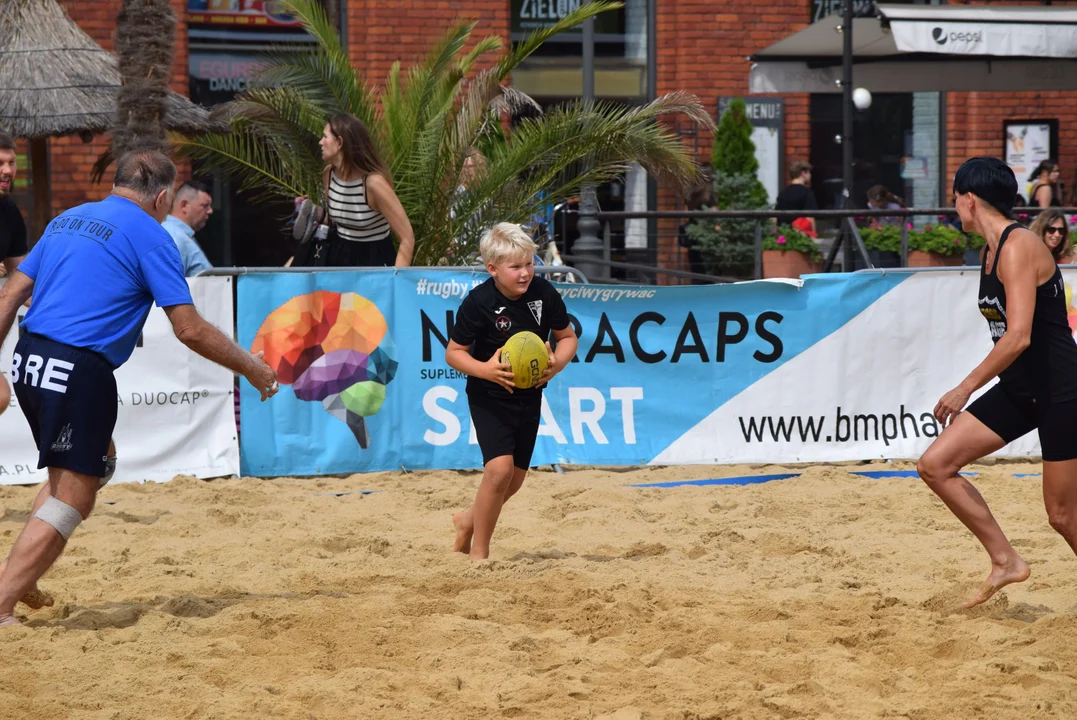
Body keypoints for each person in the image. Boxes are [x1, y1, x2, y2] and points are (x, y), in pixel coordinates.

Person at [0, 150, 279, 627]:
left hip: (28, 358)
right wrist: (251, 368)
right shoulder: (153, 235)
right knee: (75, 495)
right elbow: (188, 329)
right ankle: (4, 599)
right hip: (77, 367)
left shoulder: (69, 218)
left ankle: (22, 576)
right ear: (164, 196)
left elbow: (11, 293)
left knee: (93, 462)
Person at [917, 156, 1077, 610]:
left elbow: (1019, 336)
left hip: (1061, 390)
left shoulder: (1019, 245)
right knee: (935, 465)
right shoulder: (989, 252)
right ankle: (1005, 560)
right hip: (1020, 390)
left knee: (1063, 516)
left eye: (954, 199)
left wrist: (964, 387)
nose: (954, 209)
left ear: (969, 199)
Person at [445, 223, 578, 561]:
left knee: (514, 482)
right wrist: (486, 369)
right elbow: (454, 352)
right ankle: (479, 554)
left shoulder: (544, 293)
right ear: (493, 269)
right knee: (499, 471)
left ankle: (467, 521)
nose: (525, 273)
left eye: (530, 264)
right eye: (516, 267)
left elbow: (568, 338)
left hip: (529, 394)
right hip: (488, 394)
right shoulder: (479, 302)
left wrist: (556, 364)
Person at [290, 114, 415, 268]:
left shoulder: (373, 184)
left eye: (324, 137)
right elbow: (344, 221)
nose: (320, 142)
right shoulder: (329, 174)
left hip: (373, 259)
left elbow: (407, 238)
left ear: (340, 142)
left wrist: (396, 283)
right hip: (338, 255)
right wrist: (317, 213)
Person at [0, 132, 28, 416]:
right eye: (0, 163)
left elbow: (23, 278)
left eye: (12, 162)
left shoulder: (8, 210)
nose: (7, 171)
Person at [161, 180, 214, 277]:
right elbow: (168, 282)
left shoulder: (178, 235)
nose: (210, 211)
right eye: (205, 206)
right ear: (184, 205)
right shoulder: (175, 238)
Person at [775, 160, 818, 235]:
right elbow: (810, 217)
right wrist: (813, 235)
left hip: (783, 235)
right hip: (800, 235)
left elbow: (775, 217)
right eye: (809, 172)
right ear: (803, 173)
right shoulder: (807, 193)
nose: (810, 175)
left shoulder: (783, 193)